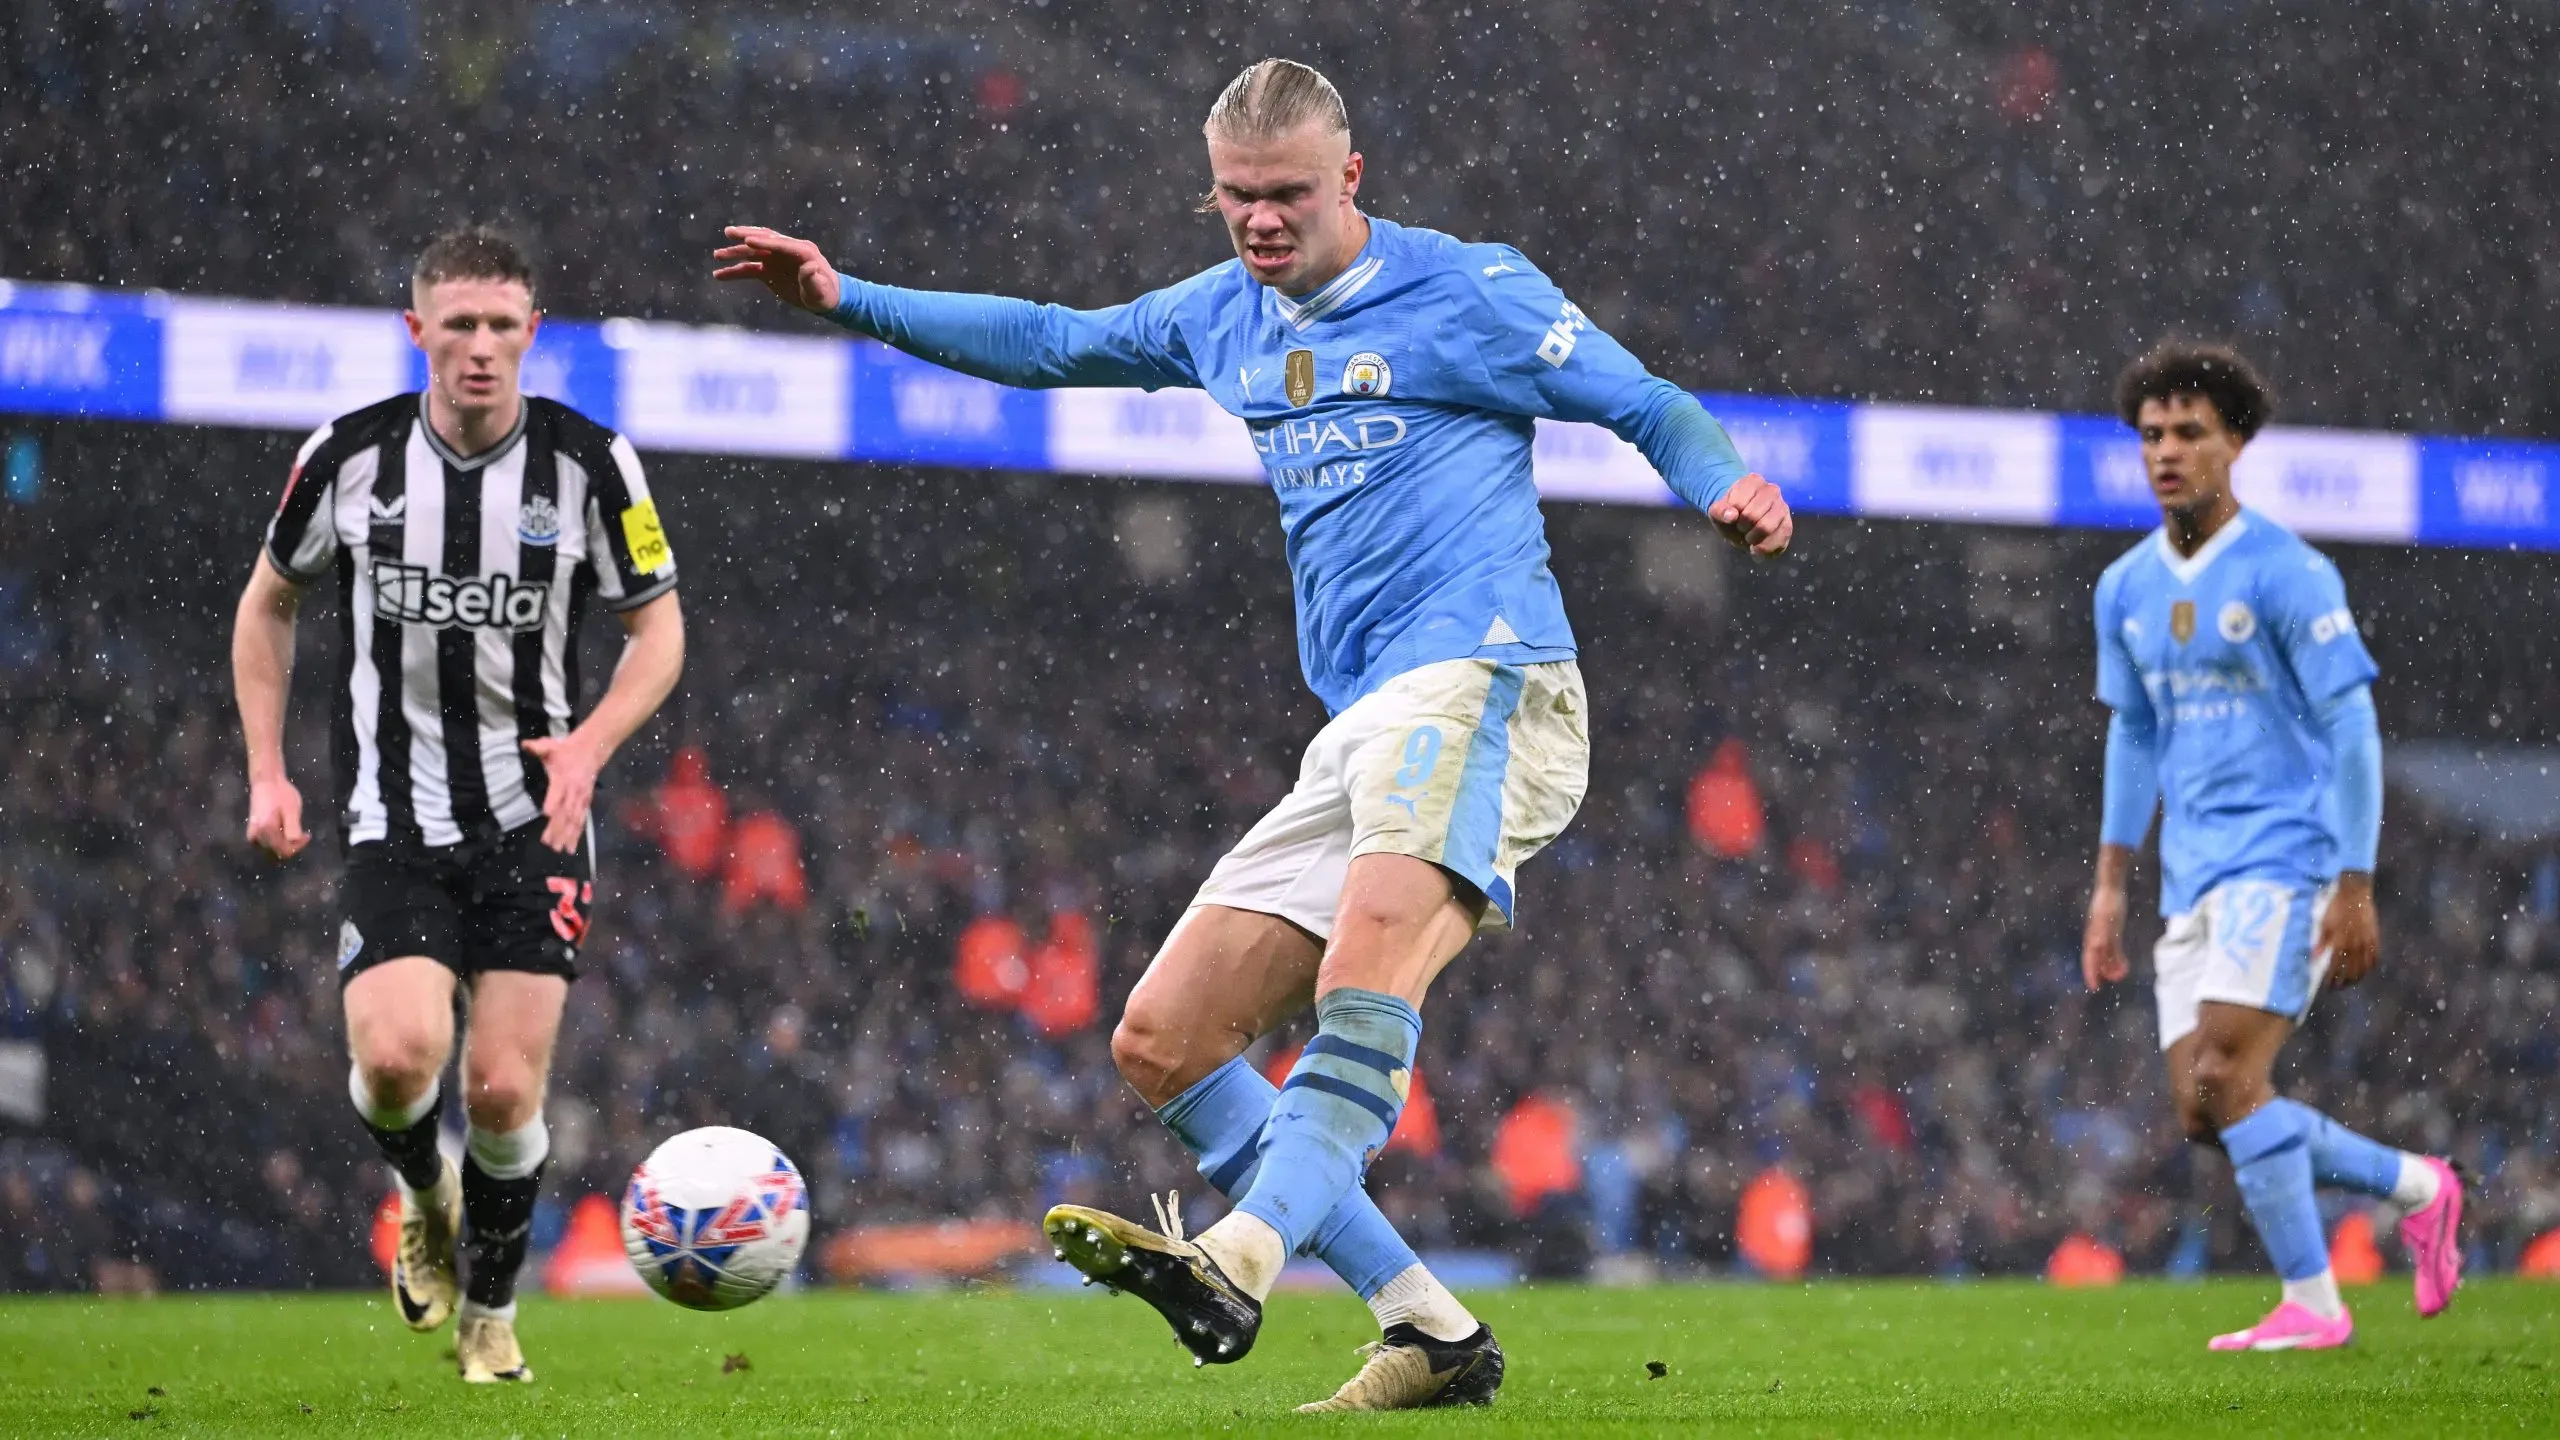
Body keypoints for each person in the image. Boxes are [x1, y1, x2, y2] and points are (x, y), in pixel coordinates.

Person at [715, 58, 1790, 1411]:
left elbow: (1644, 402)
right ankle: (1432, 1332)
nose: (1261, 221)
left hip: (1485, 676)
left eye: (1287, 193)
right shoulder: (1221, 313)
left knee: (1368, 961)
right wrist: (846, 299)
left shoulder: (1469, 289)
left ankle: (1238, 1257)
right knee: (1164, 1038)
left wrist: (1723, 482)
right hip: (1358, 726)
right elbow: (1049, 342)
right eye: (1237, 196)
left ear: (1352, 177)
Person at [230, 226, 685, 1383]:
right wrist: (268, 771)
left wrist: (591, 744)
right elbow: (269, 603)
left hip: (538, 820)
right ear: (416, 329)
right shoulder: (348, 456)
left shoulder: (591, 464)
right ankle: (425, 1193)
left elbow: (658, 629)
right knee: (398, 1061)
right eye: (459, 324)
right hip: (394, 818)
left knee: (500, 1087)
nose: (480, 346)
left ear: (532, 331)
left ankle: (490, 1311)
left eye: (500, 325)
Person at [2080, 342, 2462, 1352]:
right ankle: (2418, 1188)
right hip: (2191, 876)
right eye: (2152, 435)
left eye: (2189, 433)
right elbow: (2135, 733)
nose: (2166, 452)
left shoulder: (2289, 572)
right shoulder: (2123, 587)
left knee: (2221, 1073)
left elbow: (2351, 728)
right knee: (2205, 1112)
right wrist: (2111, 885)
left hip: (2286, 859)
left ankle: (2315, 1304)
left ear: (2236, 444)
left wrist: (2354, 880)